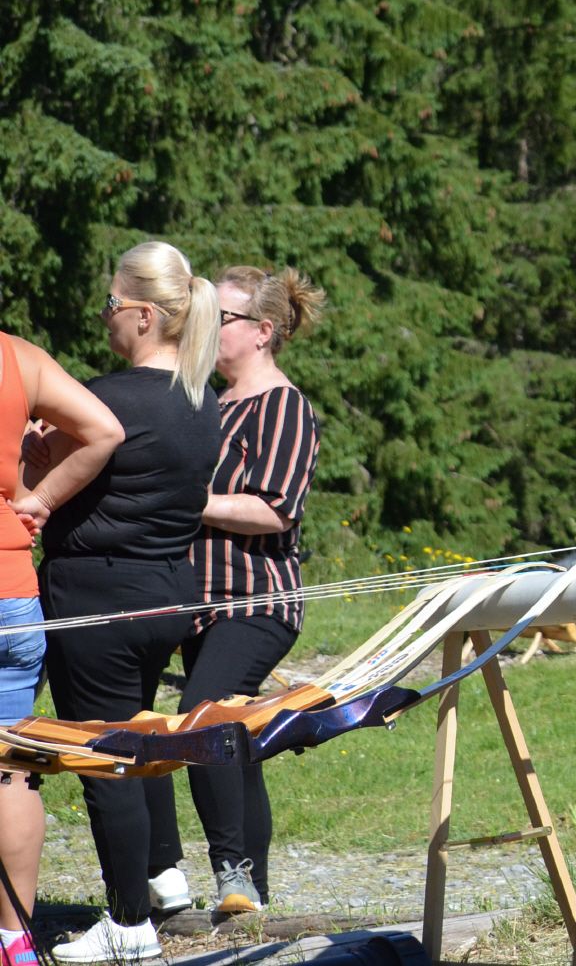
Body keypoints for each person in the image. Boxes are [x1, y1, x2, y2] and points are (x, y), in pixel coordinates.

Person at [29, 242, 222, 964]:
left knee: (103, 755)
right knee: (136, 746)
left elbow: (41, 464)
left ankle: (129, 925)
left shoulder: (109, 397)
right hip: (167, 591)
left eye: (111, 304)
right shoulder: (203, 403)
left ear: (145, 314)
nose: (103, 316)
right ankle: (156, 885)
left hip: (99, 596)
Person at [145, 266, 325, 917]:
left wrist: (190, 501)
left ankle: (232, 873)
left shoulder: (284, 405)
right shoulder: (206, 403)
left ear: (262, 331)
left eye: (217, 319)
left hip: (256, 602)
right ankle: (254, 897)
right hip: (200, 606)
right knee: (235, 741)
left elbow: (275, 510)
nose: (203, 330)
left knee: (205, 716)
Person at [0, 334, 124, 966]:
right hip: (12, 590)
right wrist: (38, 500)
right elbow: (103, 429)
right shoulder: (15, 356)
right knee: (9, 767)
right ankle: (15, 941)